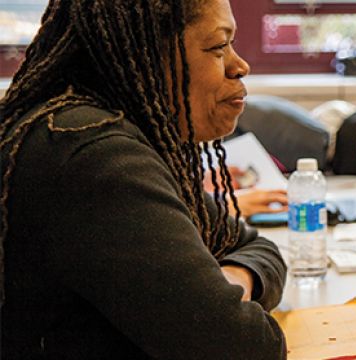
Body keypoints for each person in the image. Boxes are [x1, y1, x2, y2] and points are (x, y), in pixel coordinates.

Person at [0, 0, 287, 358]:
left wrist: (234, 279)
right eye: (217, 47)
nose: (239, 65)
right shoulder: (95, 155)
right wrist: (220, 306)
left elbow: (255, 248)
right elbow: (245, 348)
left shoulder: (131, 136)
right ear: (146, 54)